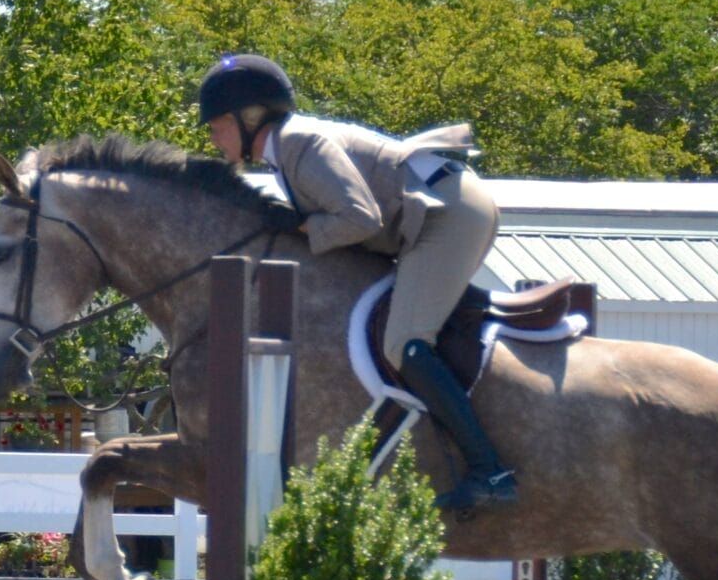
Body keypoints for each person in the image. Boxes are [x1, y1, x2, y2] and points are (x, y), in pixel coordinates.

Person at [198, 53, 517, 515]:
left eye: (215, 126)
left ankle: (491, 471)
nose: (211, 138)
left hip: (447, 215)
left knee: (404, 343)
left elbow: (360, 219)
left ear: (247, 118)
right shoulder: (286, 153)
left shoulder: (299, 144)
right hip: (430, 212)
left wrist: (300, 226)